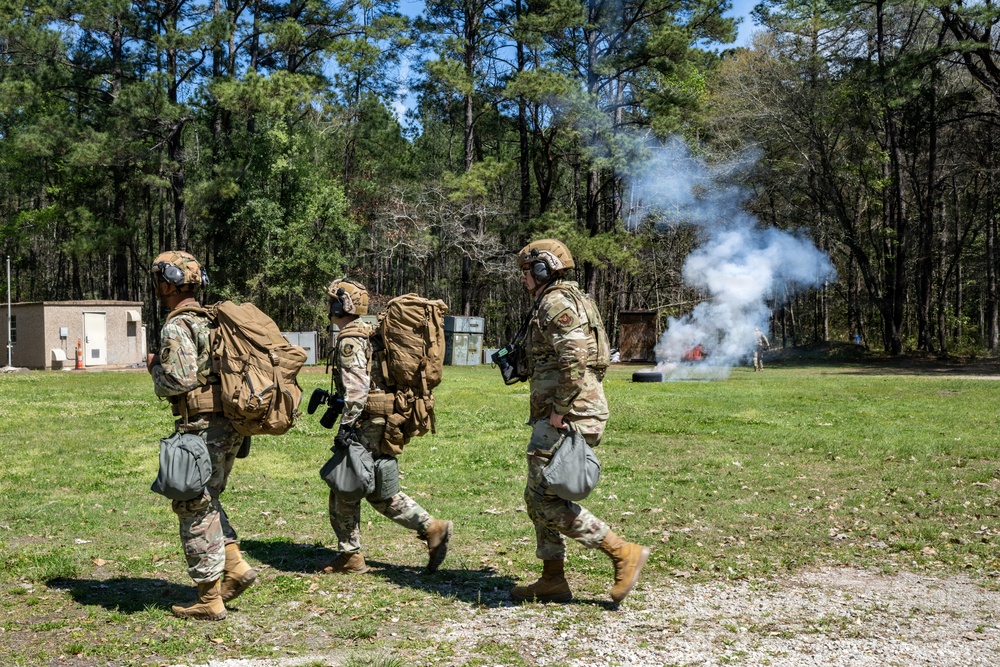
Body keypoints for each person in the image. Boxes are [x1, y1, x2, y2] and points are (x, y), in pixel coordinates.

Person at [509, 239, 650, 604]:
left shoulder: (556, 301)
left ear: (544, 268)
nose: (523, 278)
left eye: (526, 271)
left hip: (568, 415)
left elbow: (575, 355)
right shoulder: (565, 298)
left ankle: (622, 552)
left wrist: (559, 407)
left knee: (544, 501)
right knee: (537, 494)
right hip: (563, 412)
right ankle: (552, 578)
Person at [147, 251, 256, 621]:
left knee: (192, 506)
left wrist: (154, 369)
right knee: (206, 499)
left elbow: (179, 379)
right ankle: (236, 566)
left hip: (202, 428)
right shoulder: (213, 320)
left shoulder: (178, 325)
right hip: (231, 425)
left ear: (167, 284)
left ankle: (209, 598)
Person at [322, 279, 452, 574]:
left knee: (345, 483)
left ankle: (350, 555)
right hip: (388, 417)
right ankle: (432, 528)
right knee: (380, 489)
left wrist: (347, 425)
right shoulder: (370, 334)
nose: (329, 305)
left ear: (342, 304)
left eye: (332, 300)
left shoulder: (350, 339)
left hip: (368, 419)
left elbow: (356, 389)